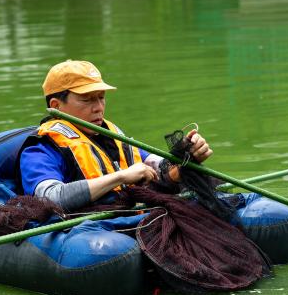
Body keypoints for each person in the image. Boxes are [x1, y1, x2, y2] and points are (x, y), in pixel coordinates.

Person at [19, 60, 212, 210]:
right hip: (93, 232)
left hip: (131, 219)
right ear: (56, 106)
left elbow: (160, 168)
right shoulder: (40, 149)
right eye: (86, 100)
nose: (98, 108)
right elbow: (51, 197)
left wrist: (187, 160)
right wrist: (120, 177)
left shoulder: (113, 135)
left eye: (101, 98)